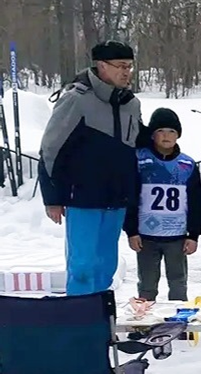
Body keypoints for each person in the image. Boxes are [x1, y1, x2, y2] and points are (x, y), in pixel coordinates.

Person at [39, 40, 143, 296]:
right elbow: (51, 149)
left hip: (116, 198)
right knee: (83, 266)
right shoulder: (76, 99)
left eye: (129, 66)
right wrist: (53, 197)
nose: (126, 72)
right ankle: (79, 326)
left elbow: (136, 144)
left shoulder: (132, 103)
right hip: (83, 198)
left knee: (106, 267)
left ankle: (100, 325)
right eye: (120, 66)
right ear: (101, 66)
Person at [125, 108, 201, 303]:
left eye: (172, 131)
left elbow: (196, 202)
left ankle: (178, 321)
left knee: (178, 282)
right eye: (161, 131)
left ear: (178, 135)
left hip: (176, 237)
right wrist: (131, 231)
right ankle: (143, 322)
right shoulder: (140, 159)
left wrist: (193, 235)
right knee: (147, 283)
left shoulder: (186, 164)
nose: (166, 136)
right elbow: (129, 196)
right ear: (152, 134)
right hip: (146, 236)